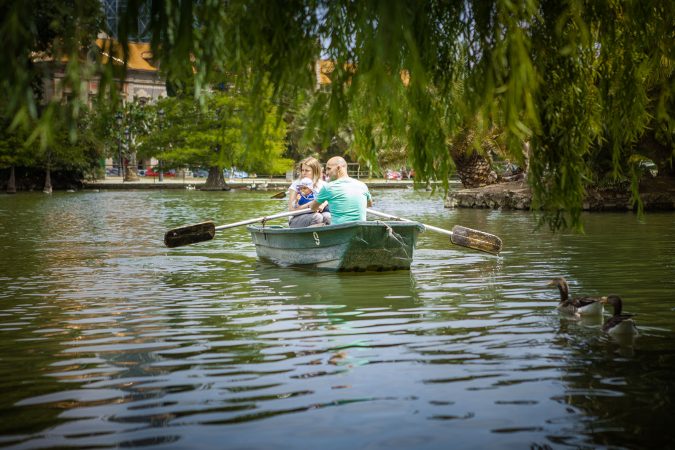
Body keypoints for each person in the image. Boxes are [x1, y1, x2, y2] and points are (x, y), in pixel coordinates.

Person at [309, 156, 372, 224]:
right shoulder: (362, 185)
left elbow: (313, 207)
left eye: (329, 169)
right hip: (360, 230)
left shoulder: (328, 187)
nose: (326, 173)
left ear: (338, 168)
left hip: (339, 231)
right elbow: (369, 204)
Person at [287, 156, 331, 227]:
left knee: (328, 216)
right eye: (302, 170)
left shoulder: (323, 185)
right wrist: (310, 205)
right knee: (317, 217)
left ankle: (325, 236)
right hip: (297, 218)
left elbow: (329, 200)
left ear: (315, 171)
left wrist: (323, 204)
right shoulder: (296, 185)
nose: (303, 173)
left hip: (317, 213)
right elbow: (291, 210)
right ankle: (311, 236)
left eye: (307, 171)